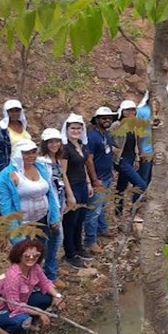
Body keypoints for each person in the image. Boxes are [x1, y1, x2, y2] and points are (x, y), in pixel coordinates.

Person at [0, 140, 61, 281]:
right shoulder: (6, 176)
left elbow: (50, 193)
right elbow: (6, 207)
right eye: (26, 153)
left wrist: (54, 216)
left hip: (43, 218)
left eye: (33, 152)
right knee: (26, 255)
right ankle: (25, 283)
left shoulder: (41, 168)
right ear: (18, 154)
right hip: (23, 224)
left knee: (42, 250)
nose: (31, 156)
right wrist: (16, 234)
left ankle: (44, 278)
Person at [0, 239, 64, 334]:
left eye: (36, 256)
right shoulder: (13, 276)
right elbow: (14, 306)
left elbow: (45, 283)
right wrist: (40, 312)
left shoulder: (35, 268)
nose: (31, 258)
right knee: (23, 320)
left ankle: (31, 321)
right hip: (4, 310)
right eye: (27, 256)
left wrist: (57, 296)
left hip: (23, 302)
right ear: (19, 256)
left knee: (46, 298)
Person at [60, 114, 97, 269]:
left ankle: (78, 247)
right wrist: (69, 194)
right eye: (72, 128)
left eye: (78, 128)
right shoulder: (65, 148)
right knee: (70, 221)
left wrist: (88, 183)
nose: (76, 131)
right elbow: (63, 172)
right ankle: (70, 253)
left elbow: (83, 166)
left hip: (82, 185)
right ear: (67, 130)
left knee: (80, 219)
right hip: (72, 186)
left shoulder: (81, 145)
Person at [85, 107, 117, 253]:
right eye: (104, 118)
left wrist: (111, 171)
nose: (107, 120)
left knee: (102, 206)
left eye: (109, 118)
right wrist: (94, 179)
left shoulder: (106, 135)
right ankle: (90, 241)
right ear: (97, 120)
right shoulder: (92, 137)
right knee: (94, 211)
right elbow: (89, 160)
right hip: (98, 179)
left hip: (106, 176)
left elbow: (107, 155)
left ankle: (102, 229)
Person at [37, 128, 66, 288]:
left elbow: (61, 180)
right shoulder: (41, 162)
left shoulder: (57, 160)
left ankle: (51, 269)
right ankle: (50, 274)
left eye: (57, 141)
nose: (54, 145)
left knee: (54, 239)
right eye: (51, 142)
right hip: (49, 204)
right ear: (45, 144)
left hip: (59, 199)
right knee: (54, 238)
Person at [112, 101, 147, 217]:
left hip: (130, 157)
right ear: (122, 111)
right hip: (121, 159)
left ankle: (118, 213)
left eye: (133, 110)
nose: (131, 112)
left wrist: (137, 158)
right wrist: (113, 149)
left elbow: (135, 143)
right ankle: (135, 210)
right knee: (141, 184)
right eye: (128, 110)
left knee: (121, 186)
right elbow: (106, 140)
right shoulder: (116, 125)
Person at [0, 100, 32, 173]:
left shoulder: (24, 125)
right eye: (11, 111)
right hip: (11, 166)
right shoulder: (1, 130)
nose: (14, 113)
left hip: (27, 165)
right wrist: (5, 170)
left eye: (17, 111)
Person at [136, 91, 155, 188]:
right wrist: (140, 151)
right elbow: (138, 133)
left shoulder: (161, 111)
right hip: (145, 149)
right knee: (143, 178)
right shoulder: (141, 111)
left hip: (157, 149)